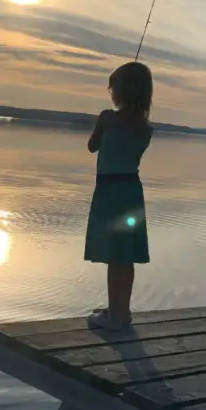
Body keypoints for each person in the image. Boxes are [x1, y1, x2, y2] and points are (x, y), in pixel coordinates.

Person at [84, 61, 153, 330]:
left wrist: (102, 127)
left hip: (110, 192)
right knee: (125, 255)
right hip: (131, 191)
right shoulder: (146, 128)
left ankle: (115, 317)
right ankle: (121, 310)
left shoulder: (107, 118)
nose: (110, 92)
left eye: (112, 87)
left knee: (115, 255)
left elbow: (91, 146)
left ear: (121, 90)